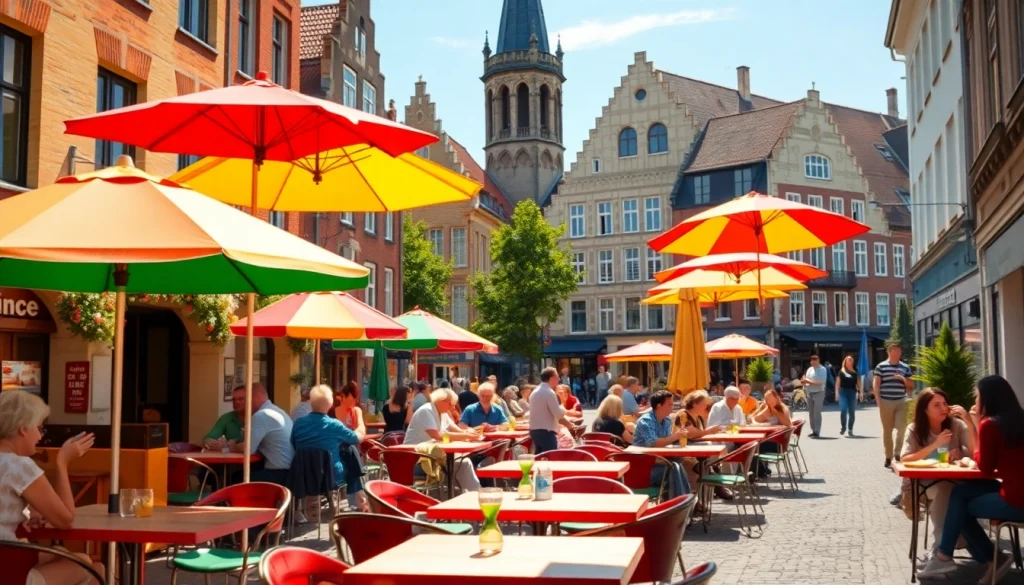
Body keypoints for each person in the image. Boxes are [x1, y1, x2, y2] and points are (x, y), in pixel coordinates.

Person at [917, 376, 1022, 581]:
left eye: (977, 397)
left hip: (1016, 500)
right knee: (959, 494)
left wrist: (976, 424)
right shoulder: (1018, 420)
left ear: (988, 399)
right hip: (1014, 488)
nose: (975, 402)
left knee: (959, 505)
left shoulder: (990, 424)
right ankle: (952, 555)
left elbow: (984, 467)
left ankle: (948, 555)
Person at [0, 391, 104, 585]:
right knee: (89, 566)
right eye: (39, 427)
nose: (40, 435)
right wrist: (62, 463)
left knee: (68, 556)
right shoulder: (20, 466)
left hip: (8, 559)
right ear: (23, 428)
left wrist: (27, 514)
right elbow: (65, 519)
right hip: (7, 570)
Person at [900, 388, 975, 561]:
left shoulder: (956, 425)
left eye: (944, 403)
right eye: (936, 405)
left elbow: (974, 451)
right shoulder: (915, 429)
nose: (943, 408)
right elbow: (905, 458)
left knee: (947, 489)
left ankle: (940, 549)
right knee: (943, 489)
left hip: (957, 482)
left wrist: (969, 422)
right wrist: (936, 444)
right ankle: (945, 545)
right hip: (925, 485)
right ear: (925, 409)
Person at [291, 385, 367, 512]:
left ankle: (357, 498)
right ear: (330, 404)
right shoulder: (334, 425)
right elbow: (357, 438)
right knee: (351, 453)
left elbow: (293, 443)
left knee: (349, 452)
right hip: (330, 475)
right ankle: (357, 498)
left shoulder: (298, 424)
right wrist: (360, 425)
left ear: (311, 403)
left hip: (302, 474)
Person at [404, 389, 482, 492]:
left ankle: (467, 493)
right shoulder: (426, 411)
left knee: (462, 463)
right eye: (451, 403)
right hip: (415, 459)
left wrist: (469, 432)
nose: (453, 407)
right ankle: (474, 495)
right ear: (441, 400)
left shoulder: (442, 413)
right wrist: (466, 435)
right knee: (463, 463)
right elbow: (438, 436)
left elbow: (455, 429)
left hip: (432, 455)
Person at [228, 383, 293, 484]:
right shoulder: (276, 411)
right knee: (240, 473)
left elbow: (248, 449)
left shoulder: (262, 415)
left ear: (257, 396)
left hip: (279, 473)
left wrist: (233, 446)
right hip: (289, 470)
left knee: (234, 479)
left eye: (247, 398)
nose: (246, 404)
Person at [631, 390, 690, 496]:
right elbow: (653, 443)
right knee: (674, 469)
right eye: (670, 405)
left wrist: (676, 438)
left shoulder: (667, 421)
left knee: (677, 465)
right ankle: (680, 502)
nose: (672, 407)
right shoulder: (646, 421)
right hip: (643, 469)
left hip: (659, 462)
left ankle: (680, 501)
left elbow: (666, 443)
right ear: (659, 406)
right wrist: (675, 436)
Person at [874, 341, 914, 467]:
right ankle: (888, 456)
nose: (898, 353)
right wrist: (878, 400)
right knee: (887, 430)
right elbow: (876, 384)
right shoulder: (881, 366)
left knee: (902, 428)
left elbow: (911, 385)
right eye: (896, 351)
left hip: (901, 400)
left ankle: (898, 452)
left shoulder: (905, 367)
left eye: (899, 351)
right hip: (886, 400)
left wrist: (903, 379)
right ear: (889, 352)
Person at [528, 367, 577, 453]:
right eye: (557, 377)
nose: (559, 379)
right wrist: (570, 426)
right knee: (551, 458)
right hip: (546, 432)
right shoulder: (548, 392)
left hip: (535, 431)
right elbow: (558, 415)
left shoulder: (536, 391)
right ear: (551, 379)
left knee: (539, 458)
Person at [800, 354, 828, 437]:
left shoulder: (822, 369)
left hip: (819, 392)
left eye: (815, 359)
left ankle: (817, 431)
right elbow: (806, 379)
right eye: (812, 360)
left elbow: (821, 381)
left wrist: (808, 381)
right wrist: (804, 381)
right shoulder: (809, 369)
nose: (813, 361)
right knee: (811, 413)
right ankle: (813, 430)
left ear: (818, 360)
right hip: (809, 392)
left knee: (817, 412)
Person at [835, 355, 863, 436]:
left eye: (851, 360)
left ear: (852, 362)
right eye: (848, 360)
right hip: (843, 392)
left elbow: (859, 383)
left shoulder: (855, 372)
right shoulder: (841, 371)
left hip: (852, 392)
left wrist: (861, 392)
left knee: (852, 412)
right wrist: (836, 393)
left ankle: (850, 429)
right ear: (845, 362)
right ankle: (843, 427)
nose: (849, 361)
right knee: (843, 410)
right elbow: (837, 383)